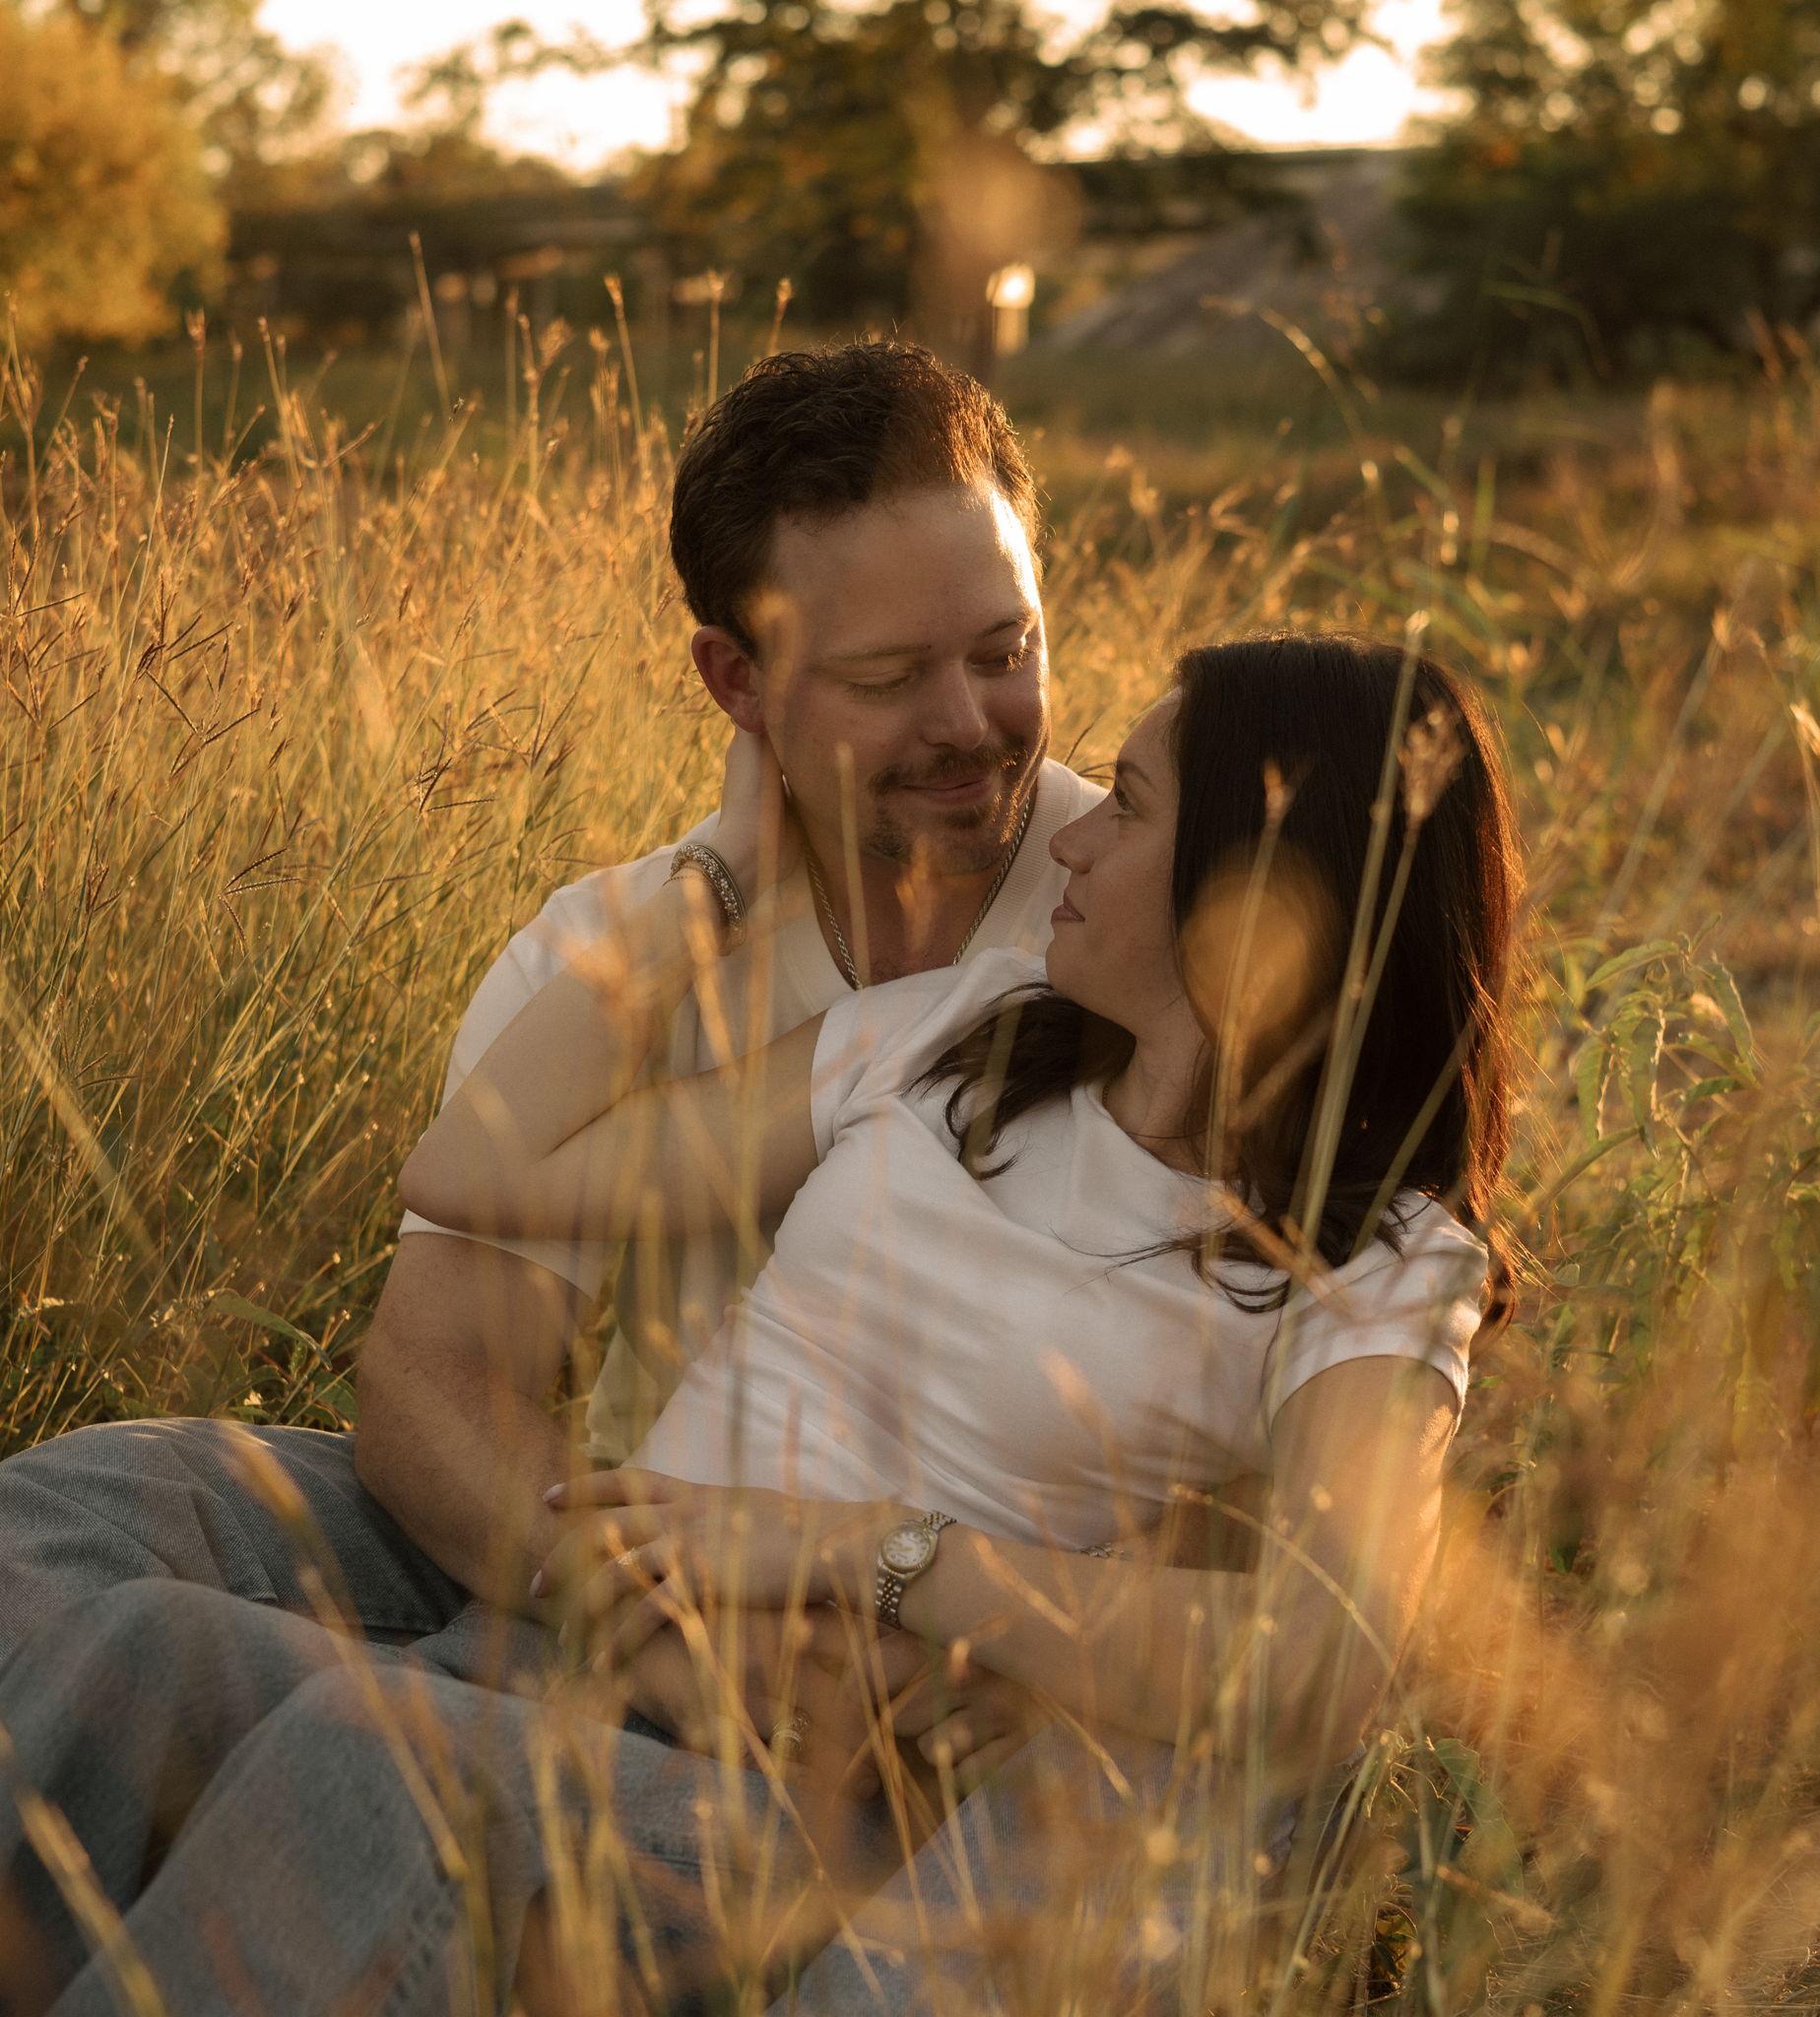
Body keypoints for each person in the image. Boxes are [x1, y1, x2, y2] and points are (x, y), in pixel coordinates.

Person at [0, 631, 1527, 2014]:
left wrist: (867, 1554)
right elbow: (479, 1168)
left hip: (809, 1789)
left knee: (367, 1770)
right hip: (572, 1643)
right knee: (143, 1660)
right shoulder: (967, 1032)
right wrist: (719, 873)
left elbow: (1323, 1653)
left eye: (1125, 806)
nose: (1072, 831)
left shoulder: (1379, 1264)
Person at [0, 342, 1113, 1789]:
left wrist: (1047, 1647)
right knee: (61, 1518)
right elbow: (435, 1380)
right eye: (889, 677)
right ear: (738, 681)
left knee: (332, 1751)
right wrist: (662, 1627)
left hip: (960, 1642)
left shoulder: (1146, 923)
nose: (968, 725)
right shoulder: (611, 958)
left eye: (1005, 651)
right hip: (628, 1553)